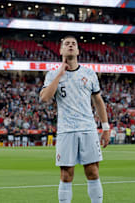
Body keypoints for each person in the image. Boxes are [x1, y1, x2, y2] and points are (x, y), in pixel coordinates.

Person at [40, 35, 110, 203]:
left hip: (88, 128)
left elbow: (98, 101)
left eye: (73, 44)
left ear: (78, 50)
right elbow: (44, 98)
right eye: (66, 44)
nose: (70, 45)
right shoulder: (52, 75)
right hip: (66, 130)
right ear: (61, 50)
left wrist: (106, 128)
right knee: (66, 175)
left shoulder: (89, 73)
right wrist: (59, 75)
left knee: (92, 172)